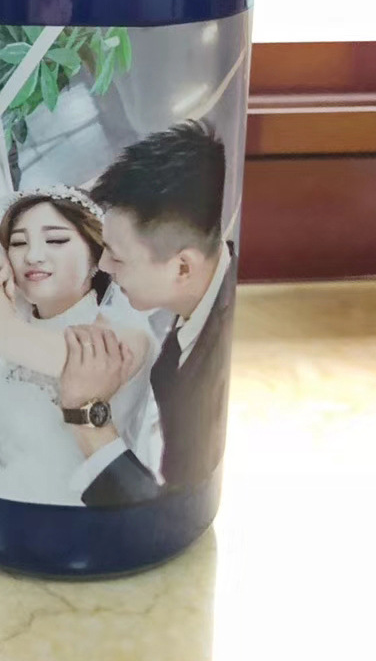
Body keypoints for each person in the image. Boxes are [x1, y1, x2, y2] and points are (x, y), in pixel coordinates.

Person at [58, 120, 236, 505]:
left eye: (118, 256)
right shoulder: (200, 308)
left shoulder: (213, 368)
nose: (103, 265)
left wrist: (87, 414)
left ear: (182, 268)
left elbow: (167, 512)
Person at [0, 186, 160, 504]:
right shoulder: (24, 315)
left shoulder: (123, 338)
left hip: (76, 512)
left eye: (56, 240)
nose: (33, 256)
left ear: (96, 257)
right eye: (18, 243)